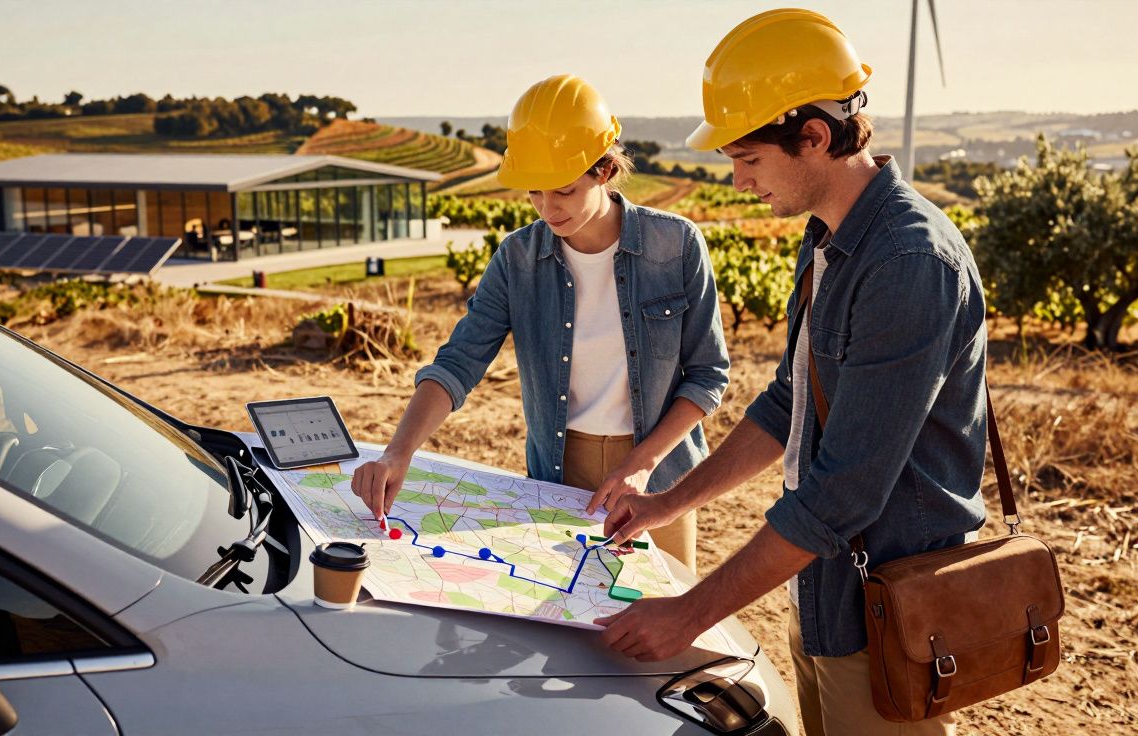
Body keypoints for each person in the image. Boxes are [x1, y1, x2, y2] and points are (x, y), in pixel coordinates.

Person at [595, 10, 986, 736]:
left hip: (889, 619)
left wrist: (691, 613)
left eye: (748, 158)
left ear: (813, 136)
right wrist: (668, 503)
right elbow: (788, 406)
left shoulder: (907, 264)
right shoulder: (828, 240)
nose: (739, 180)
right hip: (823, 595)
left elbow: (840, 496)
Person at [350, 74, 730, 572]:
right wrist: (398, 453)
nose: (548, 209)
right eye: (535, 192)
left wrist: (642, 464)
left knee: (663, 620)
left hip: (659, 472)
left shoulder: (676, 245)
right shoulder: (517, 258)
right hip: (556, 469)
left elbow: (708, 375)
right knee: (566, 619)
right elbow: (458, 363)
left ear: (605, 170)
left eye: (565, 191)